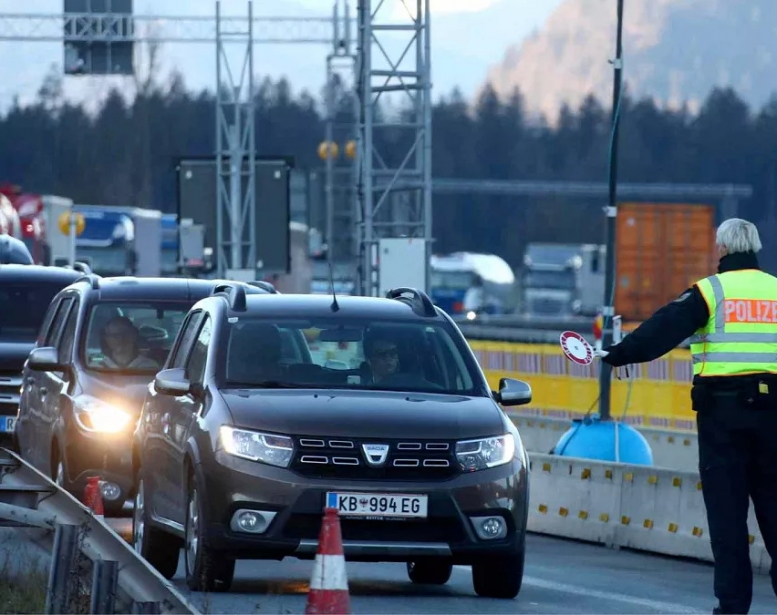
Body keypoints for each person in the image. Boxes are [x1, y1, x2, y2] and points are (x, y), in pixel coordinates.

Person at [596, 218, 777, 614]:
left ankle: (732, 608)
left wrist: (620, 353)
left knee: (729, 520)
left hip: (723, 419)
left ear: (722, 250)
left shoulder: (710, 292)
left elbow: (662, 330)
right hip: (774, 419)